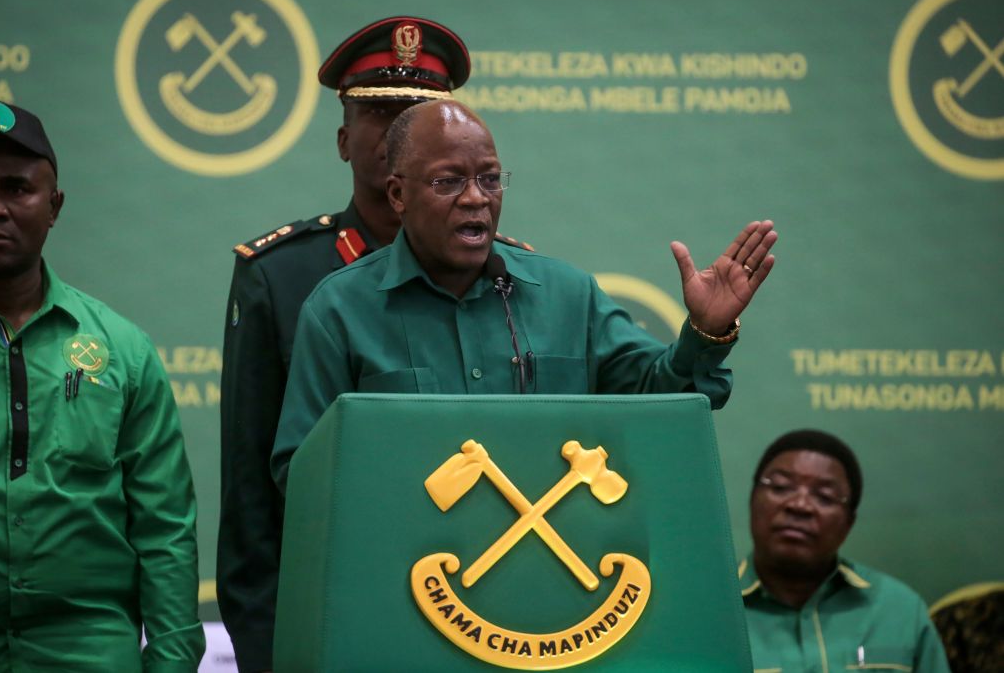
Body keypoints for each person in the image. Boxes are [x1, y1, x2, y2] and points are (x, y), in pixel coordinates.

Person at [271, 98, 778, 490]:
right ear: (399, 195)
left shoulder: (568, 295)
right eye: (449, 182)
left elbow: (661, 401)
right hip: (406, 582)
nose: (476, 199)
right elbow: (302, 472)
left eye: (490, 179)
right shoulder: (338, 310)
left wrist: (706, 332)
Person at [0, 99, 204, 671]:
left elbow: (164, 531)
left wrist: (172, 660)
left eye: (16, 188)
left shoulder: (124, 350)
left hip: (86, 649)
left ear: (54, 205)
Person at [218, 16, 477, 671]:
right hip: (337, 618)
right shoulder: (280, 276)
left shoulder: (508, 277)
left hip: (482, 611)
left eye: (421, 114)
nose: (404, 135)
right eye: (382, 114)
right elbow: (253, 504)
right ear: (342, 139)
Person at [740, 429, 950, 672]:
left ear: (849, 523)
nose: (800, 505)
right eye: (781, 487)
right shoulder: (708, 613)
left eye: (825, 496)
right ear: (753, 499)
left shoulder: (900, 610)